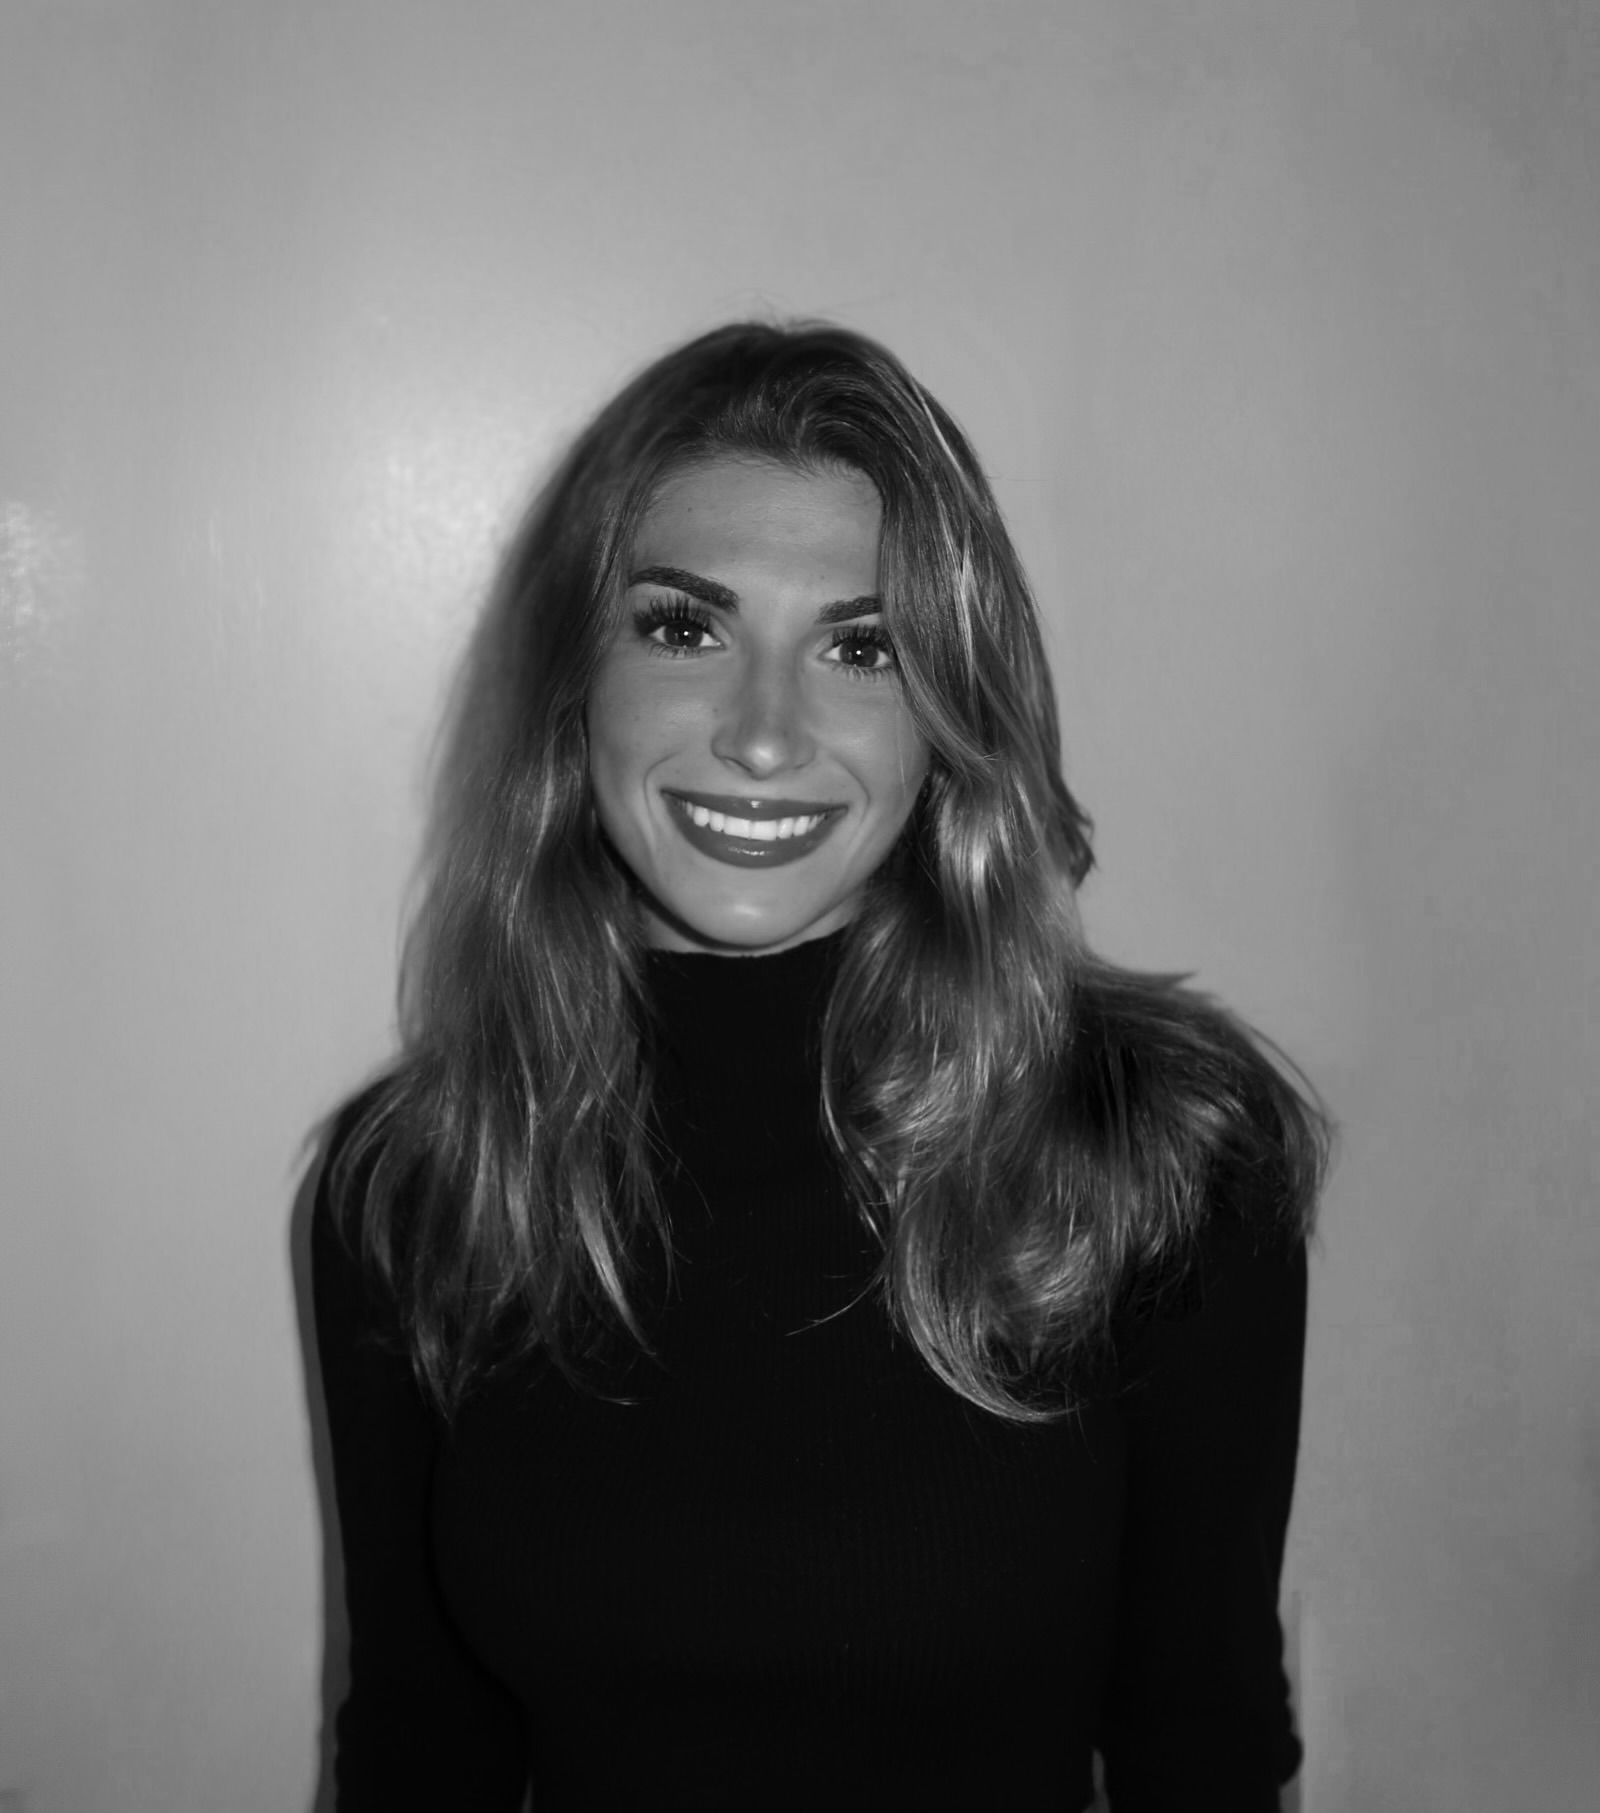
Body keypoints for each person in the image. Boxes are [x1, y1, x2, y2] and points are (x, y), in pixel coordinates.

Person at [311, 319, 1330, 1812]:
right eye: (684, 627)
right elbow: (417, 1747)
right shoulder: (414, 1180)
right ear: (570, 684)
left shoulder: (1159, 1148)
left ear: (948, 721)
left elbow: (1210, 1745)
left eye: (861, 647)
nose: (765, 735)